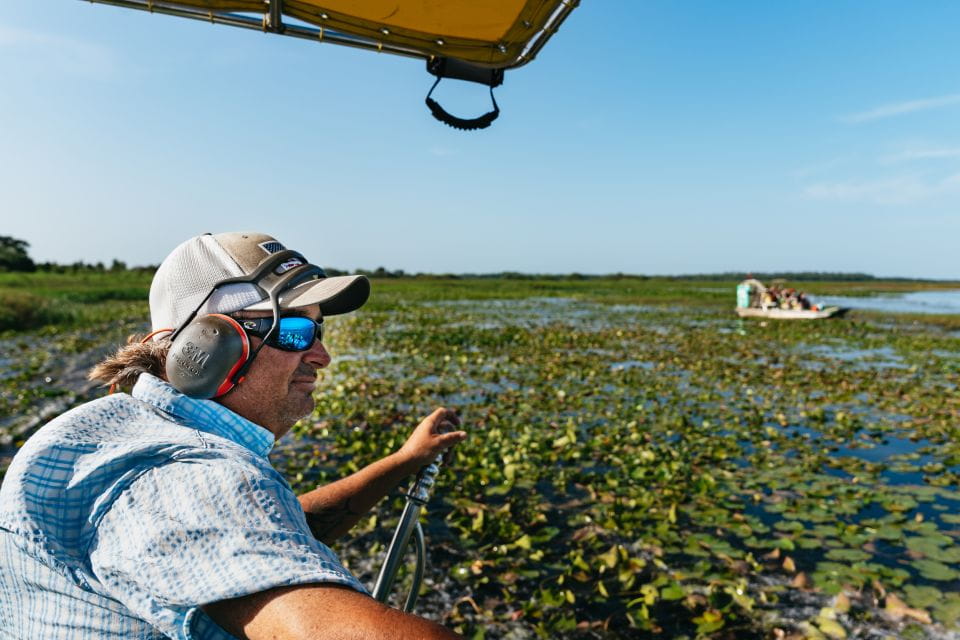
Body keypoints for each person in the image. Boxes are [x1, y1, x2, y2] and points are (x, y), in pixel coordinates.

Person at [0, 232, 467, 639]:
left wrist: (406, 459)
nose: (321, 355)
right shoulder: (172, 474)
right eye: (297, 330)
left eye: (318, 328)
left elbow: (262, 533)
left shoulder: (121, 430)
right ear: (206, 345)